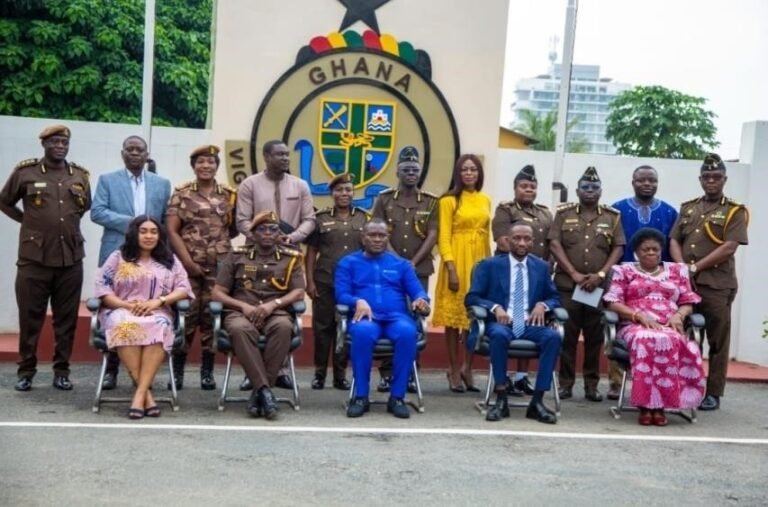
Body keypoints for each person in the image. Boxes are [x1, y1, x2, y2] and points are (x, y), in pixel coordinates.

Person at [0, 125, 91, 392]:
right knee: (30, 317)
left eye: (64, 142)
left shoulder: (81, 176)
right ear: (44, 144)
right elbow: (4, 201)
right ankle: (26, 371)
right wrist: (27, 221)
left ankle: (61, 371)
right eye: (54, 142)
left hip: (71, 260)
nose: (60, 146)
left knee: (66, 319)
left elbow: (83, 207)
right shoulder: (25, 173)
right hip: (34, 259)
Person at [90, 135, 172, 390]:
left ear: (147, 154)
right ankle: (112, 371)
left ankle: (143, 373)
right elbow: (98, 212)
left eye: (140, 150)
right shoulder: (107, 180)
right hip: (117, 253)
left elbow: (163, 220)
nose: (135, 153)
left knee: (146, 310)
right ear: (123, 153)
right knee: (117, 311)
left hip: (151, 258)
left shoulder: (161, 184)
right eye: (130, 149)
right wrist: (134, 225)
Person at [670, 153, 749, 411]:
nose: (711, 181)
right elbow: (674, 239)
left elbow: (729, 247)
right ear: (700, 180)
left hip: (716, 285)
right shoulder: (688, 207)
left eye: (716, 177)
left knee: (717, 340)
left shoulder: (734, 211)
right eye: (707, 177)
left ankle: (713, 392)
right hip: (687, 285)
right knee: (688, 337)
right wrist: (682, 268)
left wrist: (695, 267)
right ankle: (684, 386)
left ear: (724, 179)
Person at [603, 228, 706, 425]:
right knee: (646, 339)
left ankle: (660, 405)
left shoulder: (676, 272)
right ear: (636, 252)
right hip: (634, 325)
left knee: (671, 339)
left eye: (655, 249)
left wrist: (679, 315)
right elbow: (612, 302)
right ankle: (645, 405)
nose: (651, 253)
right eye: (645, 250)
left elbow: (687, 300)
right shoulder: (623, 271)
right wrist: (637, 315)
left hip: (668, 324)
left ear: (661, 251)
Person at [94, 216, 193, 418]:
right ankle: (145, 395)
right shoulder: (117, 257)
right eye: (144, 231)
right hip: (121, 309)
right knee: (124, 324)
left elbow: (184, 289)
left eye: (154, 232)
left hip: (156, 311)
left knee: (158, 325)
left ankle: (139, 394)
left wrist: (159, 301)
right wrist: (126, 305)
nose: (149, 236)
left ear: (160, 235)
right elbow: (102, 289)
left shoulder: (169, 260)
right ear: (134, 233)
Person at [235, 140, 315, 391]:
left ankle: (278, 369)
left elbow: (309, 219)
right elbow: (242, 220)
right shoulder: (250, 184)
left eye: (287, 154)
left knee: (285, 313)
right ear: (266, 156)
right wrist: (264, 236)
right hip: (256, 254)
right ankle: (254, 371)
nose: (285, 158)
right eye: (279, 154)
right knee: (255, 303)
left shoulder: (300, 185)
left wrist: (291, 237)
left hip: (289, 254)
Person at [211, 211, 306, 420]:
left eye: (273, 229)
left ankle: (259, 392)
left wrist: (274, 304)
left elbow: (299, 291)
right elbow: (217, 292)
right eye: (262, 229)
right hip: (241, 312)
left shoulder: (292, 258)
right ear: (252, 234)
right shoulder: (236, 255)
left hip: (275, 312)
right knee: (239, 329)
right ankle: (265, 392)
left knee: (283, 327)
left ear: (278, 233)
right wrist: (242, 306)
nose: (267, 233)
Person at [465, 224, 561, 424]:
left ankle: (537, 402)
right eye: (517, 238)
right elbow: (472, 298)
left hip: (529, 323)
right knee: (499, 336)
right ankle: (501, 398)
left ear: (533, 242)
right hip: (500, 323)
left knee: (553, 337)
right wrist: (495, 308)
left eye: (527, 239)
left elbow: (554, 298)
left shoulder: (541, 267)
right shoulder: (489, 265)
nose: (522, 243)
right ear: (508, 240)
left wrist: (543, 305)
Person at [335, 219, 430, 419]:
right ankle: (360, 397)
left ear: (387, 238)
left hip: (397, 318)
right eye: (372, 235)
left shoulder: (401, 264)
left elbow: (418, 291)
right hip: (366, 318)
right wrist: (357, 300)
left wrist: (421, 300)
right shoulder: (348, 263)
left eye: (382, 235)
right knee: (361, 333)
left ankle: (397, 398)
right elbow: (341, 294)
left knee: (408, 332)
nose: (377, 239)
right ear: (363, 237)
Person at [548, 166, 625, 402]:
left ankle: (591, 386)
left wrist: (600, 275)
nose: (590, 191)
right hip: (568, 286)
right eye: (585, 187)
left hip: (596, 287)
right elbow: (554, 243)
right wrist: (573, 273)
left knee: (595, 338)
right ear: (577, 190)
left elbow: (618, 248)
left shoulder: (612, 217)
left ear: (600, 191)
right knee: (567, 336)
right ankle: (566, 384)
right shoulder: (563, 214)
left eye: (594, 187)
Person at [166, 145, 237, 390]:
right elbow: (172, 231)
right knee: (185, 317)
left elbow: (233, 228)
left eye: (210, 162)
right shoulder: (182, 193)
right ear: (193, 166)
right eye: (200, 162)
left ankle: (207, 372)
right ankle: (177, 372)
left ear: (217, 165)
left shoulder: (229, 195)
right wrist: (188, 262)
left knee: (212, 316)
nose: (205, 166)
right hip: (188, 266)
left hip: (219, 268)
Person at [607, 164, 679, 400]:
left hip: (657, 283)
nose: (647, 184)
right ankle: (616, 383)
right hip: (623, 279)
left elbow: (673, 245)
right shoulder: (617, 210)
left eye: (652, 180)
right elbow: (612, 245)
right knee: (617, 325)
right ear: (633, 182)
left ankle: (660, 385)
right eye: (642, 180)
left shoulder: (669, 212)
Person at [371, 146, 438, 393]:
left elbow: (433, 234)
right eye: (406, 169)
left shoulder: (431, 202)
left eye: (415, 170)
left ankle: (411, 373)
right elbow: (377, 228)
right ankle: (388, 373)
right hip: (388, 269)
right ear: (397, 172)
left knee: (416, 317)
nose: (411, 173)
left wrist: (412, 262)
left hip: (419, 269)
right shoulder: (385, 199)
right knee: (390, 314)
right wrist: (398, 260)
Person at [491, 164, 552, 397]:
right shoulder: (505, 210)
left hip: (537, 274)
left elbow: (551, 243)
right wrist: (526, 261)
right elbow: (503, 241)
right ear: (515, 188)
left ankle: (522, 378)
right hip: (509, 270)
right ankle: (502, 378)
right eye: (524, 186)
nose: (528, 190)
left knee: (531, 318)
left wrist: (542, 266)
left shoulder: (545, 213)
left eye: (532, 186)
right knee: (508, 321)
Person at [432, 154, 491, 393]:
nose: (469, 173)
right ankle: (453, 368)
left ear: (479, 174)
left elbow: (487, 235)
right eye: (465, 170)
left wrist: (488, 268)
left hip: (478, 260)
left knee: (473, 318)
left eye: (473, 170)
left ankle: (468, 366)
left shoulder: (485, 199)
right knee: (453, 321)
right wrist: (451, 267)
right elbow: (443, 236)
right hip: (456, 260)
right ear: (458, 173)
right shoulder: (448, 200)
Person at [305, 173, 368, 390]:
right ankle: (320, 373)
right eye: (339, 190)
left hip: (353, 285)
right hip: (325, 280)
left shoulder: (363, 218)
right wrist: (309, 281)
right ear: (332, 193)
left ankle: (340, 374)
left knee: (347, 328)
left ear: (353, 192)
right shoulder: (320, 218)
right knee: (323, 328)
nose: (344, 194)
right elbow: (311, 251)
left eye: (348, 190)